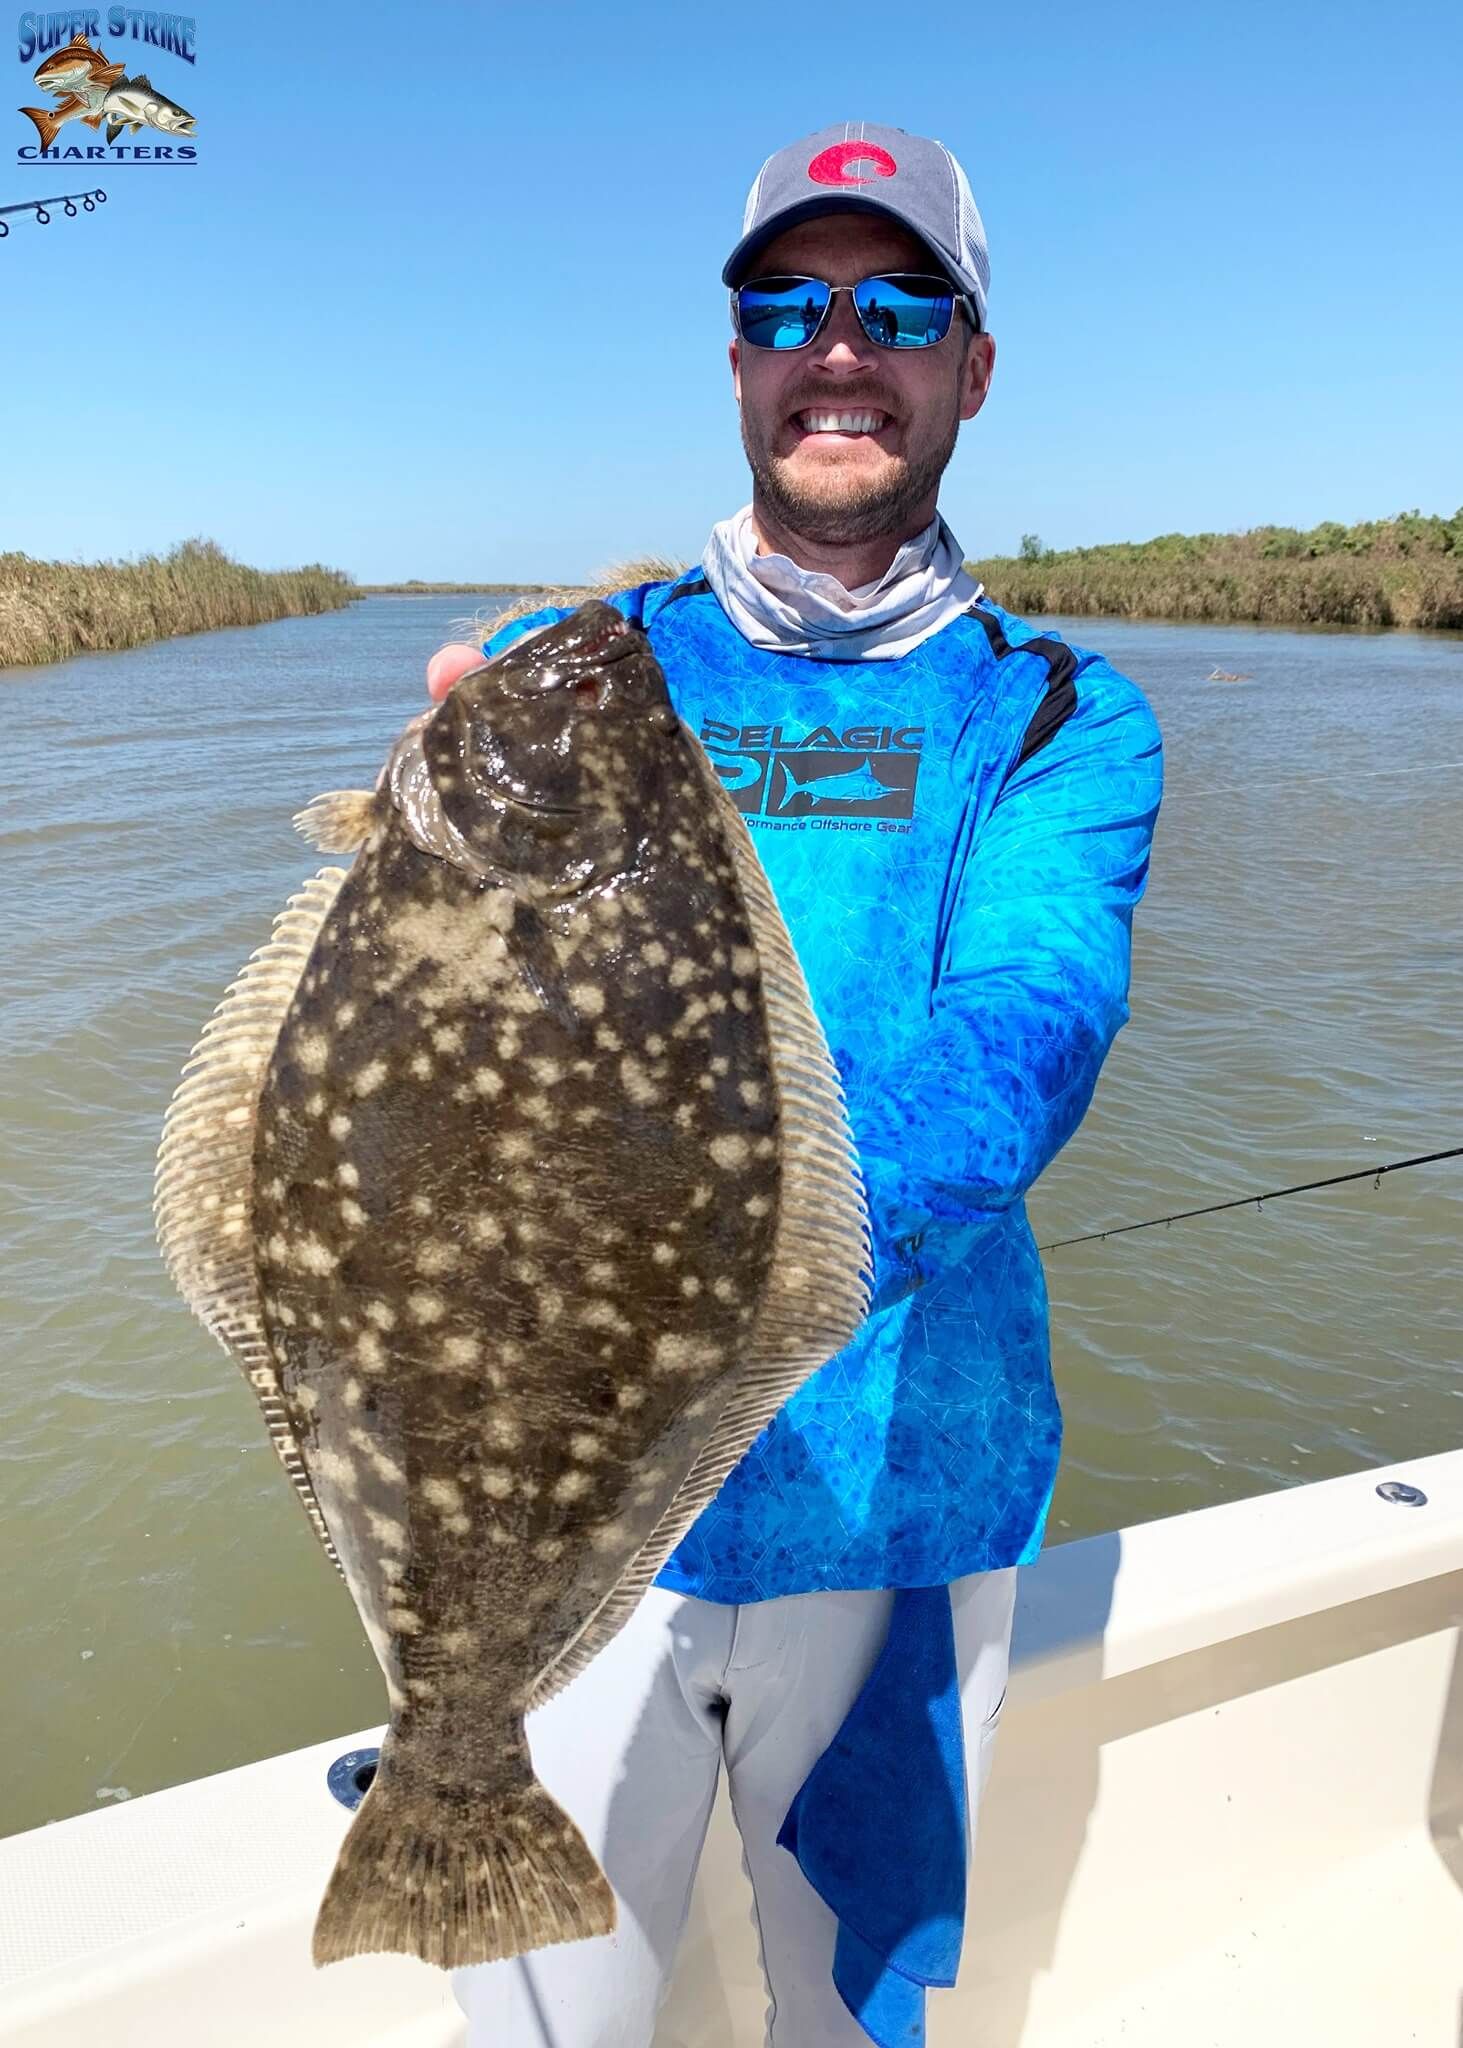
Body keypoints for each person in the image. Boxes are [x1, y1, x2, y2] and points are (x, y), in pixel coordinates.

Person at [430, 122, 1163, 2048]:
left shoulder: (1061, 717)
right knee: (536, 2025)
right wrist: (429, 825)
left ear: (971, 364)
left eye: (901, 304)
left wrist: (728, 1257)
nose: (842, 348)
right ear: (740, 355)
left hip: (904, 1509)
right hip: (575, 1511)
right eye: (790, 305)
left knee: (860, 2018)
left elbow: (1028, 1029)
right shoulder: (556, 672)